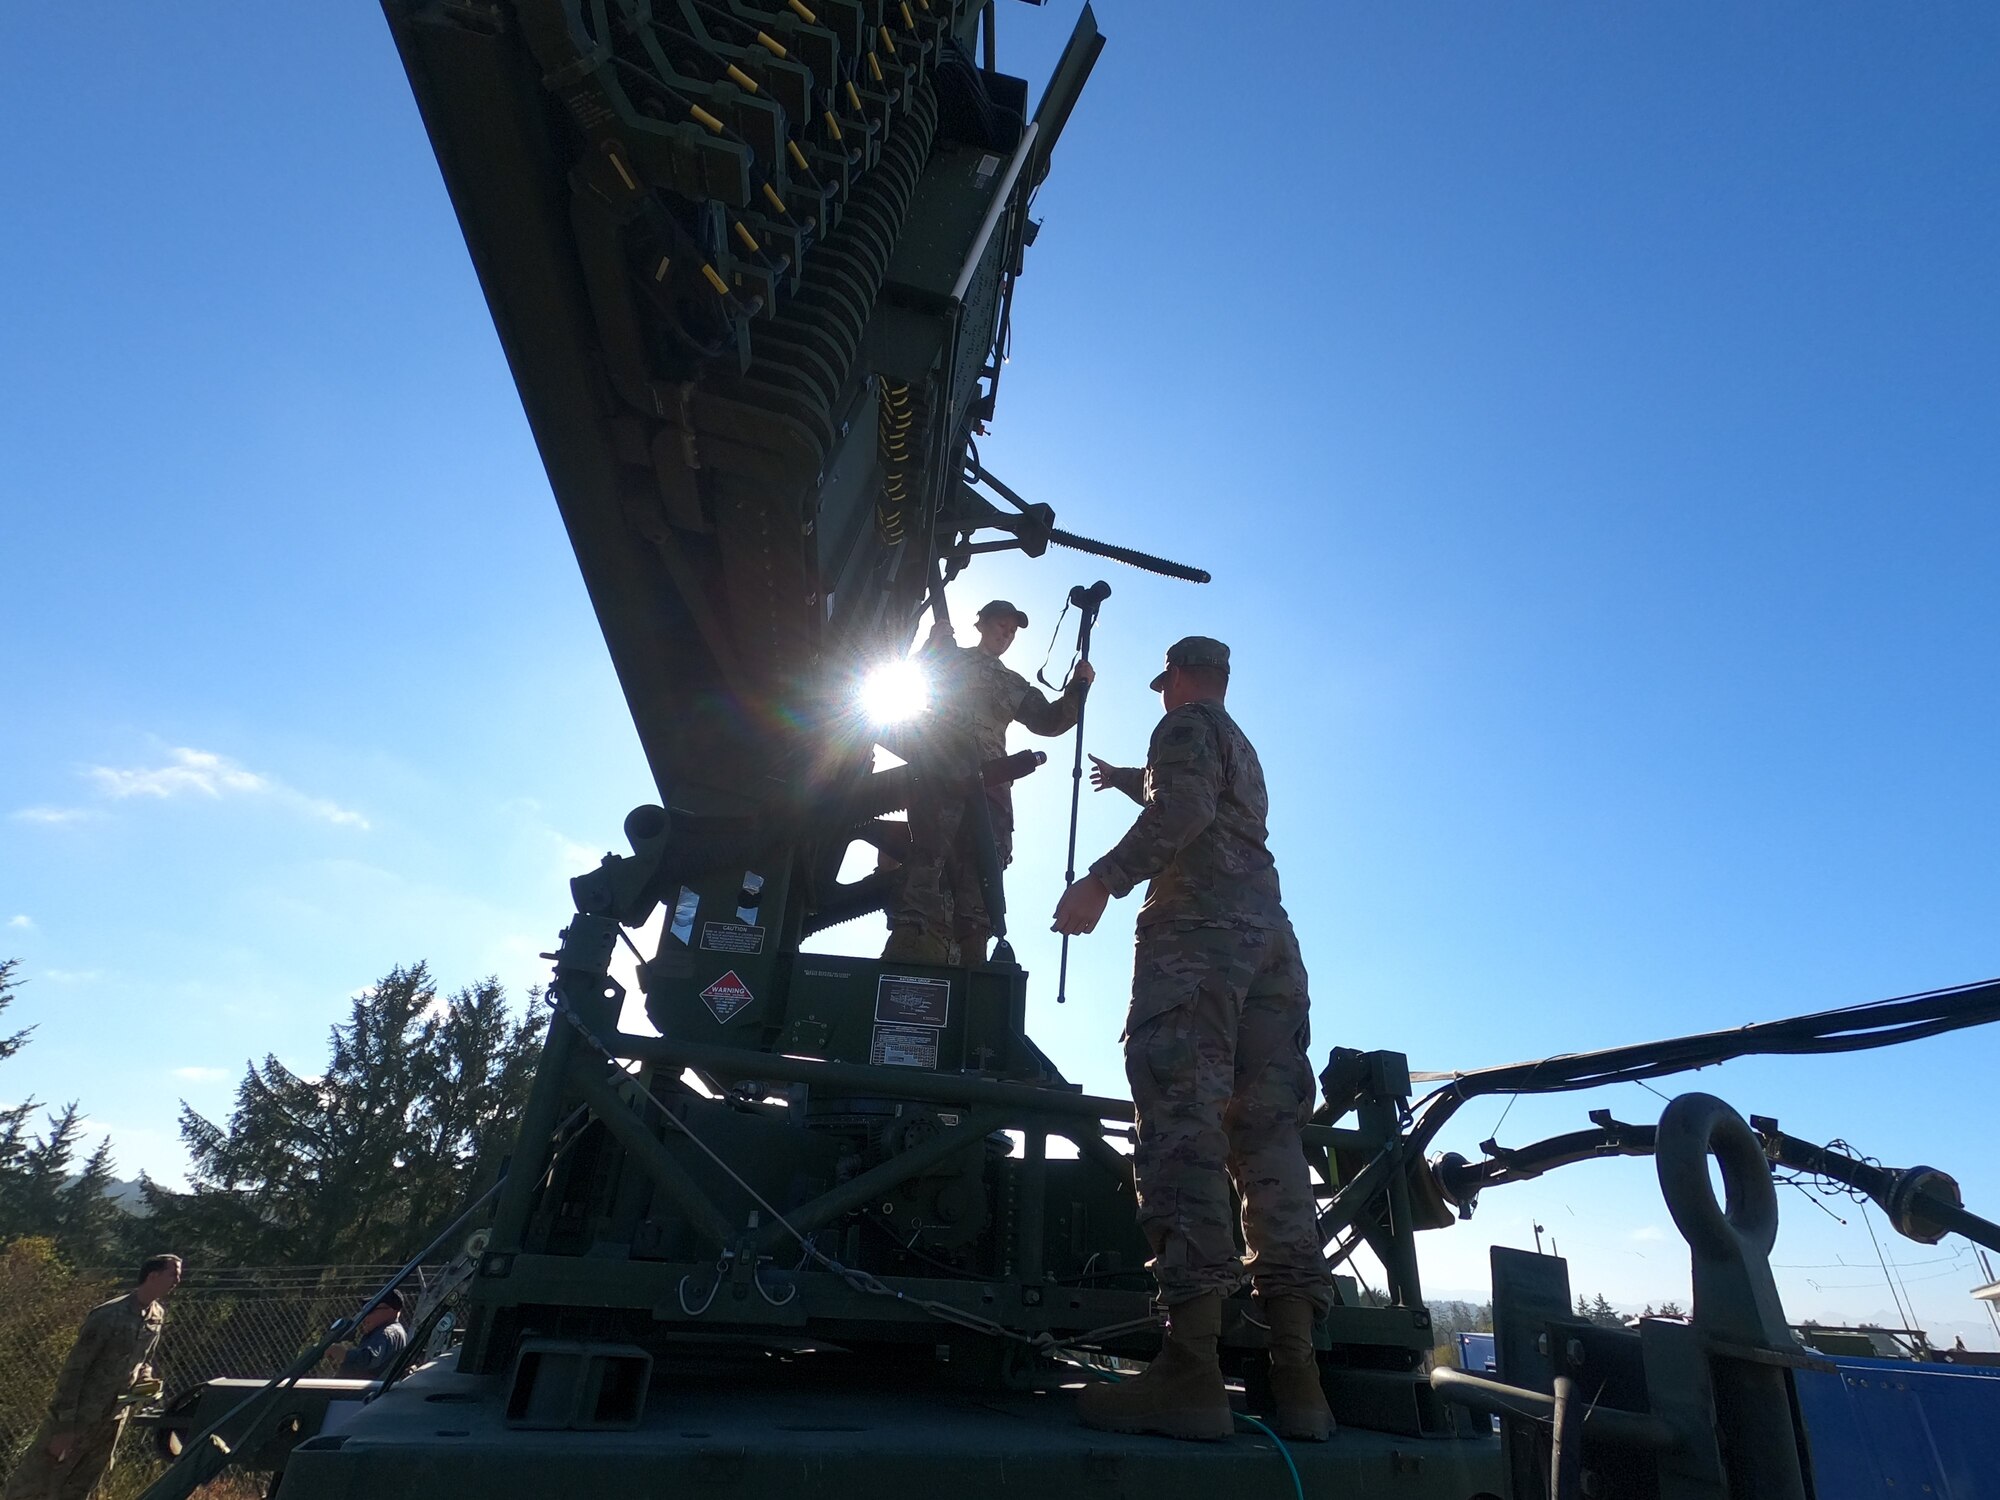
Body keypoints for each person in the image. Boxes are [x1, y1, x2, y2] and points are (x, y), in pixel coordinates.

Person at [1052, 636, 1334, 1443]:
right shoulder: (1242, 745)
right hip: (1272, 945)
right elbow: (1202, 815)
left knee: (1183, 1125)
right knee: (1272, 1144)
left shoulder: (1181, 726)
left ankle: (1192, 1372)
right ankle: (1299, 1380)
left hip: (1199, 942)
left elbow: (1182, 811)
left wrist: (1100, 881)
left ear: (1174, 677)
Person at [883, 599, 1093, 965]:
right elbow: (913, 678)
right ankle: (909, 942)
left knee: (983, 871)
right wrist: (933, 644)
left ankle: (974, 959)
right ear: (980, 624)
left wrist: (1078, 688)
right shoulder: (951, 659)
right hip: (940, 778)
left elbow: (1049, 721)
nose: (1007, 635)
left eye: (1012, 631)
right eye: (1001, 626)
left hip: (990, 789)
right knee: (929, 856)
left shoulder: (1011, 683)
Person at [4, 1254, 180, 1500]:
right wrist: (64, 1427)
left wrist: (145, 1376)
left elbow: (144, 1359)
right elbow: (74, 1371)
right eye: (173, 1274)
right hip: (78, 1419)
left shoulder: (156, 1316)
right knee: (37, 1484)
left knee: (79, 1487)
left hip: (112, 1420)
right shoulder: (108, 1315)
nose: (177, 1280)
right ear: (153, 1276)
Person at [337, 1290, 407, 1378]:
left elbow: (368, 1359)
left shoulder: (386, 1333)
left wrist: (341, 1353)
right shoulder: (384, 1332)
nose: (365, 1316)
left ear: (392, 1311)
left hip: (370, 1390)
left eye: (370, 1310)